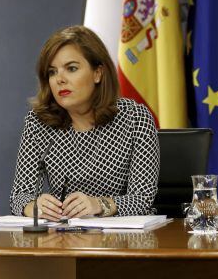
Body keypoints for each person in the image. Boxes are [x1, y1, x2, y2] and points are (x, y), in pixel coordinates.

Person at [10, 25, 159, 220]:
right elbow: (19, 196)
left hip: (123, 241)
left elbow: (143, 198)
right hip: (64, 240)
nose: (60, 80)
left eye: (71, 68)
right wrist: (33, 206)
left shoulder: (135, 118)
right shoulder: (39, 123)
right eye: (52, 72)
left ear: (98, 73)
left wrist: (98, 204)